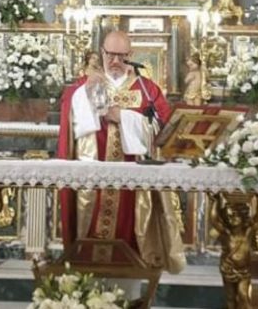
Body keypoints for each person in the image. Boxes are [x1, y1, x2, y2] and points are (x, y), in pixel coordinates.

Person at [57, 30, 185, 277]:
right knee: (90, 242)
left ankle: (133, 291)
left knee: (131, 245)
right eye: (110, 55)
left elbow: (164, 129)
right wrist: (84, 95)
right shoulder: (84, 87)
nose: (114, 61)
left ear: (131, 55)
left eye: (121, 56)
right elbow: (72, 125)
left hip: (133, 185)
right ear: (101, 53)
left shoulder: (147, 89)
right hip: (92, 180)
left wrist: (123, 117)